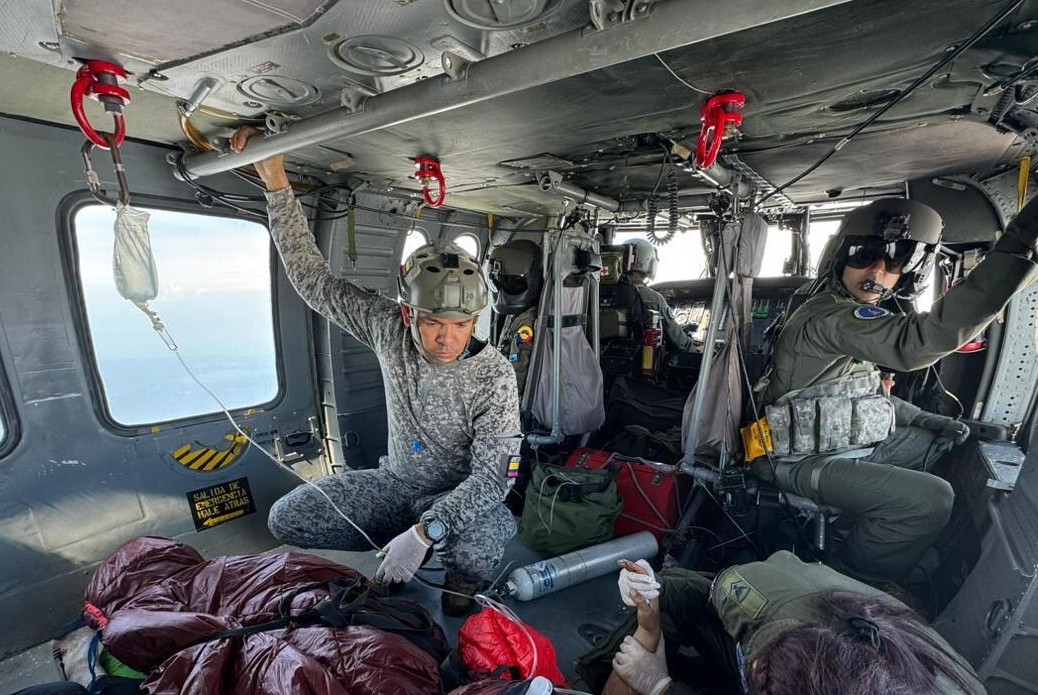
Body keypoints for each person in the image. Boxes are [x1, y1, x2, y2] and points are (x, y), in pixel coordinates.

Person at [232, 127, 521, 616]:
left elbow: (494, 482)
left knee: (479, 546)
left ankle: (457, 588)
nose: (447, 339)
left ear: (475, 320)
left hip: (462, 496)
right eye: (433, 323)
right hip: (397, 485)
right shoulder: (387, 325)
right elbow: (314, 282)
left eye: (461, 324)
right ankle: (394, 562)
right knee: (289, 517)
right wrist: (277, 182)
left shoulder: (494, 376)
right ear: (409, 313)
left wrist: (428, 530)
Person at [753, 178, 1038, 584]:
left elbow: (853, 396)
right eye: (864, 256)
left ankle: (872, 533)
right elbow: (916, 342)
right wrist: (1024, 234)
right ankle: (852, 582)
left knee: (945, 442)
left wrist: (921, 418)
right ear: (839, 258)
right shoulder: (831, 316)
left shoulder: (842, 308)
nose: (878, 271)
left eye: (896, 260)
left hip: (834, 446)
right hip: (795, 461)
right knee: (931, 500)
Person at [585, 554, 985, 695]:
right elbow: (692, 596)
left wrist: (662, 687)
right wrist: (651, 606)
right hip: (788, 610)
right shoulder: (764, 602)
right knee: (670, 594)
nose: (757, 670)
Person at [486, 239, 543, 394]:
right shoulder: (515, 315)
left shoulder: (527, 322)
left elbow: (517, 375)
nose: (505, 287)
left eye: (514, 282)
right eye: (502, 281)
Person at [623, 238, 699, 353]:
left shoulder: (597, 291)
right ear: (650, 263)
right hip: (640, 362)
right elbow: (676, 339)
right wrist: (695, 350)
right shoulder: (653, 299)